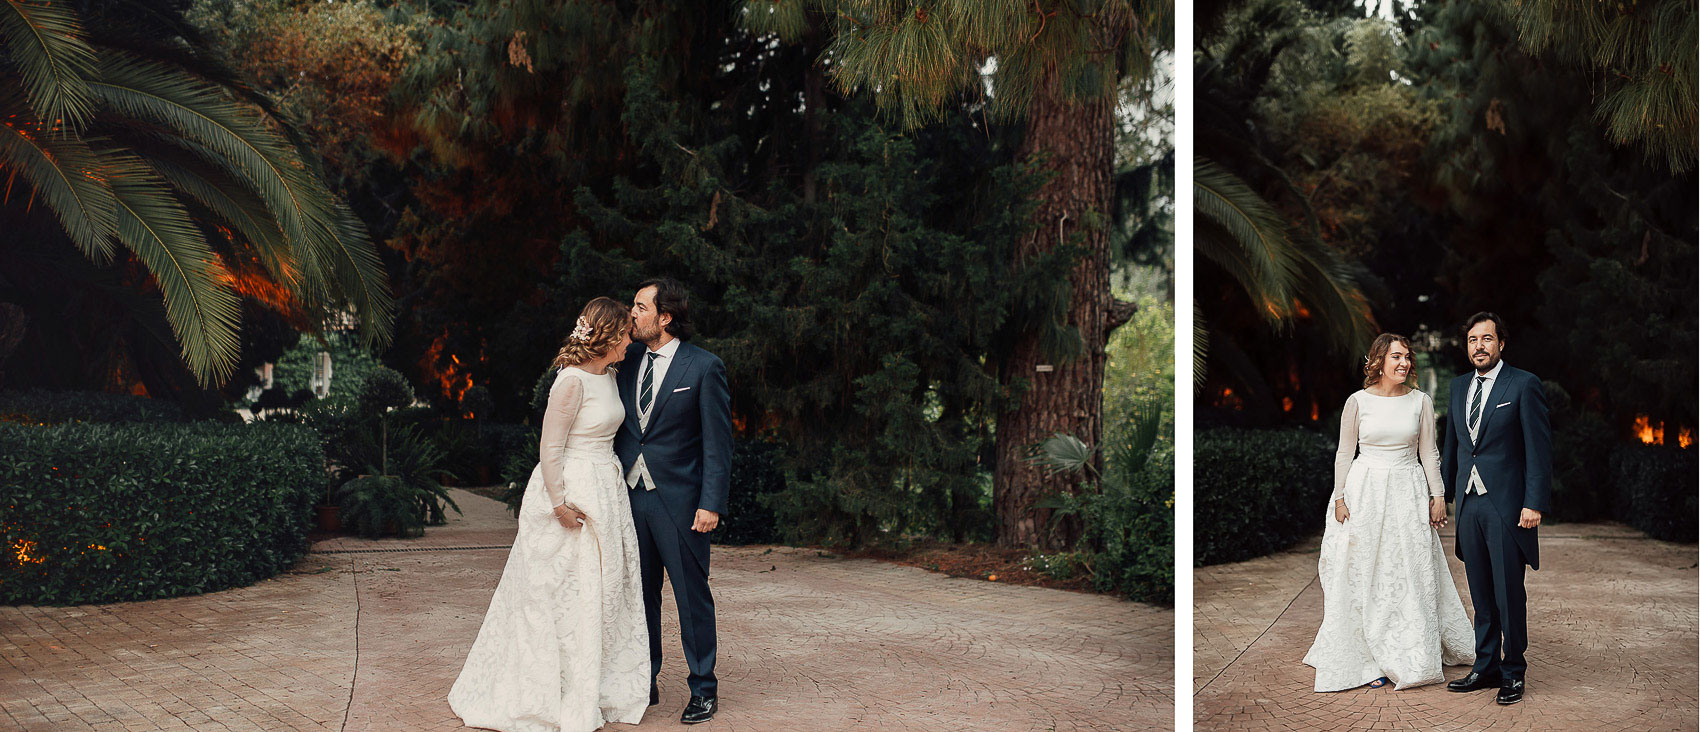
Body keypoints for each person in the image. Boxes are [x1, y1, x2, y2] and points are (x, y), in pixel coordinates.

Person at [449, 297, 650, 732]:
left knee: (601, 591)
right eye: (626, 333)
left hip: (606, 488)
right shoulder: (570, 381)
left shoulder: (611, 375)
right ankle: (548, 691)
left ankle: (594, 686)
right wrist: (558, 503)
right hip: (571, 490)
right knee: (559, 593)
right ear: (610, 336)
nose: (630, 340)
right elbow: (550, 447)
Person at [1303, 333, 1475, 691]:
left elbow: (1429, 453)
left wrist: (1438, 495)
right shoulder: (1358, 402)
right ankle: (1367, 658)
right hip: (1364, 492)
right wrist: (1338, 497)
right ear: (1378, 361)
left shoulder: (1421, 402)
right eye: (1396, 356)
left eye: (1407, 356)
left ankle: (1408, 650)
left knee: (1408, 571)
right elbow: (1343, 453)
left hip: (1407, 492)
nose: (1404, 363)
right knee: (1366, 572)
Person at [615, 278, 732, 725]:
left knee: (690, 597)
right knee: (640, 599)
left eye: (640, 306)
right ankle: (645, 681)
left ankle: (704, 688)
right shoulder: (624, 364)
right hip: (631, 500)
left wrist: (711, 503)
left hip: (682, 503)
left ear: (665, 317)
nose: (633, 313)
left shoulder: (704, 367)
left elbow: (717, 445)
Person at [1442, 312, 1552, 706]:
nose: (1479, 346)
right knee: (1481, 594)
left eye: (1486, 339)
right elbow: (1454, 449)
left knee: (1508, 594)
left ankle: (1513, 671)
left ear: (1501, 343)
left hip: (1507, 506)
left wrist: (1533, 502)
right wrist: (1441, 494)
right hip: (1469, 504)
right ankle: (1485, 666)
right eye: (1472, 340)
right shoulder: (1457, 388)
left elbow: (1539, 449)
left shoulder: (1523, 385)